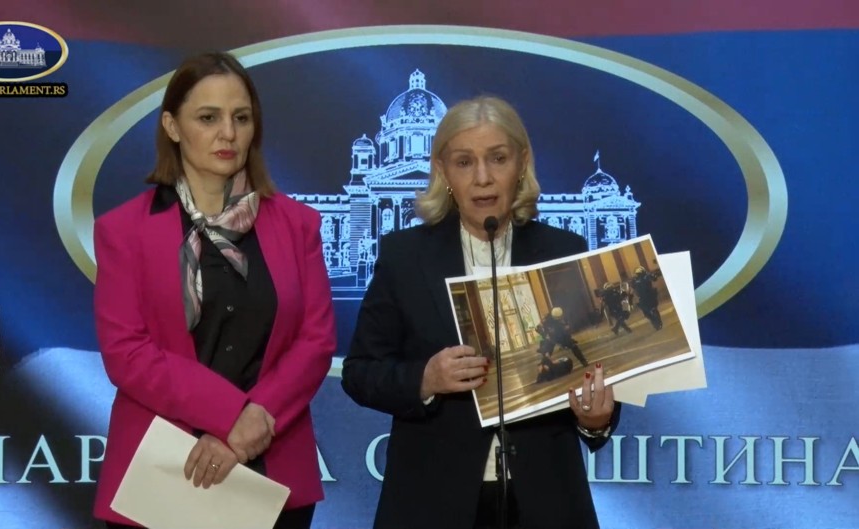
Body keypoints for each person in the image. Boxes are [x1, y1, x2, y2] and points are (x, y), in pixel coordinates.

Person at [341, 95, 622, 529]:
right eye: (464, 162)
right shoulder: (405, 257)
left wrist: (596, 418)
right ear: (443, 170)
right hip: (432, 503)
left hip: (546, 501)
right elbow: (360, 372)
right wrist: (425, 379)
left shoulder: (564, 252)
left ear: (522, 163)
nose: (483, 178)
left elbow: (592, 366)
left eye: (498, 158)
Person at [92, 52, 336, 529]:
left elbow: (316, 341)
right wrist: (232, 415)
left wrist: (250, 426)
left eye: (241, 118)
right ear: (172, 126)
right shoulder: (123, 231)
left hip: (269, 473)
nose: (228, 133)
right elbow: (127, 353)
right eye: (208, 118)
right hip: (159, 477)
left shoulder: (297, 225)